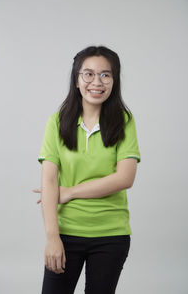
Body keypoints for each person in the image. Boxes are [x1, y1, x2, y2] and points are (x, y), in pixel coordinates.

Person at [34, 45, 141, 294]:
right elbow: (49, 181)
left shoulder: (124, 121)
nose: (97, 82)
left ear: (114, 80)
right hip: (66, 231)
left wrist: (69, 192)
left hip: (111, 234)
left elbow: (125, 178)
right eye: (88, 74)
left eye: (106, 74)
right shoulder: (57, 121)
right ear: (77, 78)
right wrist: (52, 237)